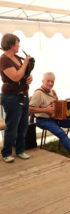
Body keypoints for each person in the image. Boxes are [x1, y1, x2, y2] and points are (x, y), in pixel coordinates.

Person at [29, 72, 70, 162]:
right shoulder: (38, 93)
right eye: (48, 81)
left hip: (54, 119)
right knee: (61, 133)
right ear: (42, 81)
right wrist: (45, 110)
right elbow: (29, 109)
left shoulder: (53, 92)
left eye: (52, 81)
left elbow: (58, 107)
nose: (50, 83)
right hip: (42, 120)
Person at [0, 33, 33, 163]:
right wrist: (25, 63)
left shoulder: (16, 57)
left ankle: (20, 150)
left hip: (22, 95)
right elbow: (15, 77)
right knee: (12, 126)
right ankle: (6, 152)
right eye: (18, 43)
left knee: (23, 124)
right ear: (12, 45)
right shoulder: (4, 60)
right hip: (11, 97)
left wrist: (29, 78)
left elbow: (23, 75)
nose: (19, 45)